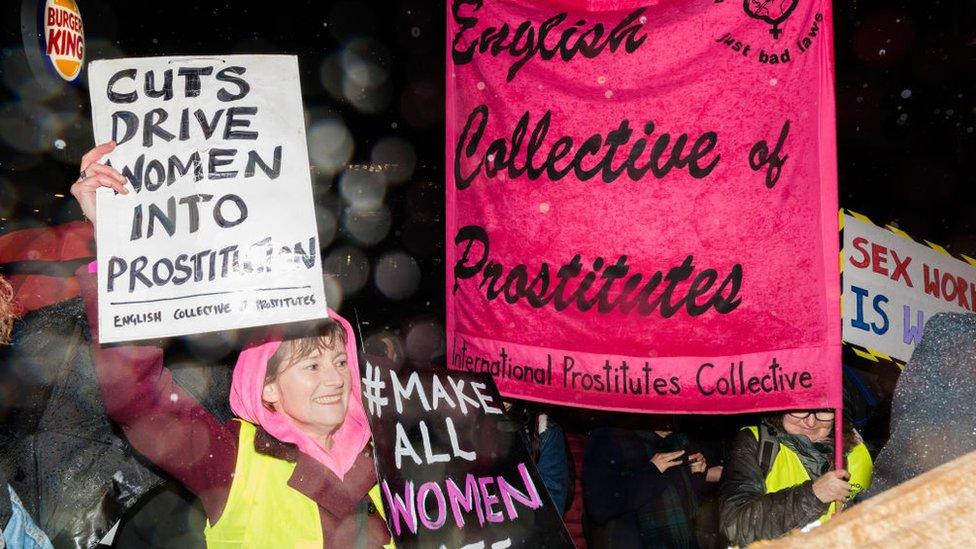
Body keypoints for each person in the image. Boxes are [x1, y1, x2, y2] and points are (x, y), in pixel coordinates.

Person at [69, 142, 391, 547]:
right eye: (311, 366)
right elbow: (138, 398)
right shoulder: (230, 463)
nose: (336, 378)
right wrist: (116, 242)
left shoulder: (386, 460)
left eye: (340, 362)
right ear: (267, 387)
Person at [718, 409, 873, 546]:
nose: (811, 422)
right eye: (800, 409)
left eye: (823, 410)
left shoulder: (858, 453)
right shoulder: (756, 443)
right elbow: (734, 525)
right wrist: (813, 495)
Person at [583, 416, 722, 548]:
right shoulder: (609, 438)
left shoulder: (679, 441)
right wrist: (652, 471)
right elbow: (599, 507)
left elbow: (687, 507)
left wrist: (697, 475)